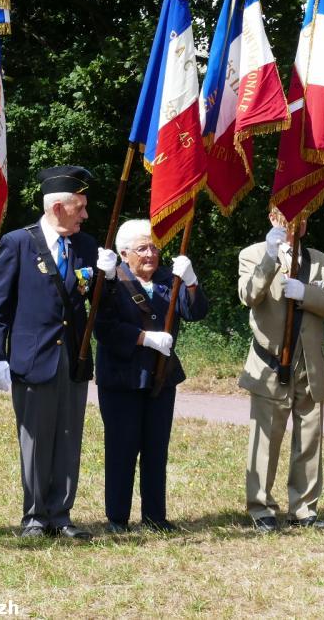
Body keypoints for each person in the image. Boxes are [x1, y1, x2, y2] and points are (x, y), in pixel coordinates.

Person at [0, 166, 113, 540]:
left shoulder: (86, 246)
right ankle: (35, 516)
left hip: (73, 358)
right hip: (32, 358)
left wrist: (109, 279)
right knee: (36, 438)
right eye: (80, 207)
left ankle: (61, 513)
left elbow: (97, 306)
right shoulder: (19, 243)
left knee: (69, 435)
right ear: (58, 208)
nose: (86, 215)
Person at [94, 219, 207, 533]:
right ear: (124, 252)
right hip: (122, 377)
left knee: (156, 447)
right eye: (142, 248)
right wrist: (143, 338)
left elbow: (195, 312)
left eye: (154, 247)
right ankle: (117, 518)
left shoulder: (168, 280)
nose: (150, 254)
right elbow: (102, 327)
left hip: (160, 377)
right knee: (122, 447)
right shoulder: (112, 280)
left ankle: (155, 516)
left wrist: (192, 281)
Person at [237, 212, 324, 532]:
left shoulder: (319, 260)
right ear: (272, 217)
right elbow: (249, 295)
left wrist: (306, 293)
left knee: (309, 439)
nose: (298, 223)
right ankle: (261, 506)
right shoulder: (253, 254)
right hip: (270, 362)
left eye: (304, 217)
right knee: (266, 438)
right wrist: (270, 259)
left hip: (308, 363)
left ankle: (304, 508)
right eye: (289, 216)